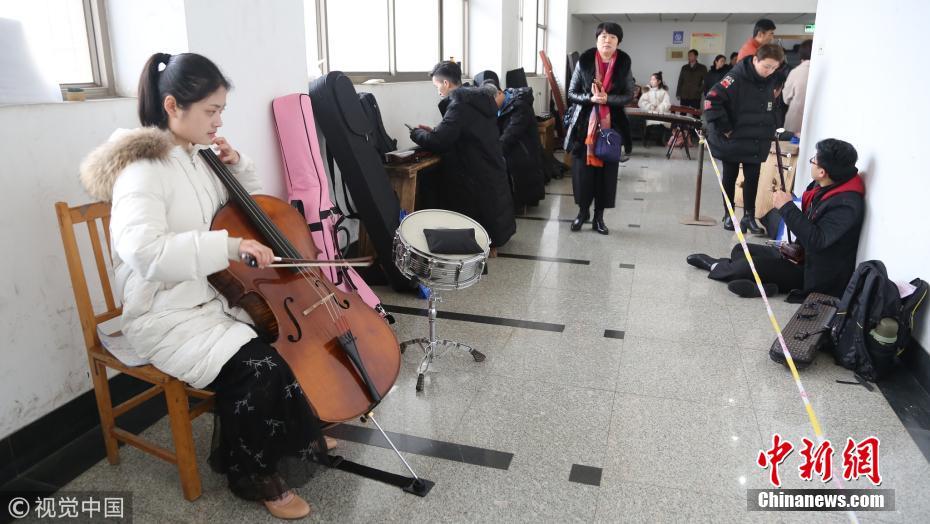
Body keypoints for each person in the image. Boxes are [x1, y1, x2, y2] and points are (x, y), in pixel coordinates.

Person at [78, 53, 336, 519]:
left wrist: (238, 167)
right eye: (211, 111)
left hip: (211, 299)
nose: (219, 122)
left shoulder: (200, 158)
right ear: (173, 106)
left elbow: (248, 209)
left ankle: (294, 433)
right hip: (165, 312)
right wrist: (228, 247)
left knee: (279, 342)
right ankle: (254, 475)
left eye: (221, 111)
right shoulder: (142, 170)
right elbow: (145, 252)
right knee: (257, 367)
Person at [686, 139, 865, 301]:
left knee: (747, 267)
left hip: (812, 273)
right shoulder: (826, 185)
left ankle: (715, 265)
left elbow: (817, 241)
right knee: (740, 249)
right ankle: (768, 286)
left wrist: (786, 207)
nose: (811, 162)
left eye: (814, 160)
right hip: (800, 255)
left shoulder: (846, 205)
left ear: (822, 172)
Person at [411, 61, 516, 252]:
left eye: (437, 86)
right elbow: (463, 131)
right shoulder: (480, 99)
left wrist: (416, 133)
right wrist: (434, 131)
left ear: (446, 83)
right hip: (489, 162)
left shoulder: (459, 105)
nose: (437, 91)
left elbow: (440, 141)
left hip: (473, 169)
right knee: (491, 204)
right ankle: (494, 241)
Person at [704, 43, 785, 234]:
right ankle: (729, 215)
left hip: (756, 138)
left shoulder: (772, 79)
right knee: (730, 176)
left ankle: (749, 216)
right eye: (766, 66)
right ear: (755, 60)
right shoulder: (735, 77)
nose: (769, 71)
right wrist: (725, 128)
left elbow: (773, 106)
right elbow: (711, 100)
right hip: (733, 139)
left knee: (753, 178)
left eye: (774, 68)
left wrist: (773, 126)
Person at [564, 21, 634, 235]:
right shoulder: (584, 61)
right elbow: (571, 93)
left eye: (612, 37)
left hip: (611, 130)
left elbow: (628, 95)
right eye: (603, 36)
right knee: (582, 175)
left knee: (606, 176)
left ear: (618, 42)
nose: (607, 40)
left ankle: (599, 218)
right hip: (583, 129)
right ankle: (582, 213)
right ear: (597, 40)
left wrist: (607, 99)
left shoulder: (623, 63)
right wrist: (591, 98)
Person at [477, 71, 546, 209]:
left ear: (499, 93)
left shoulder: (520, 106)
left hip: (523, 151)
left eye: (491, 103)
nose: (489, 107)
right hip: (509, 147)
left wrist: (493, 151)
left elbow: (511, 134)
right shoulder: (498, 107)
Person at [782, 39, 813, 135]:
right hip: (817, 121)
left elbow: (786, 98)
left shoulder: (796, 72)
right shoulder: (829, 72)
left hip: (795, 122)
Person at [637, 72, 672, 146]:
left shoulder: (663, 92)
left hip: (661, 113)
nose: (651, 81)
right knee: (649, 123)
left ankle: (659, 140)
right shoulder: (647, 91)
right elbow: (641, 102)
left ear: (659, 81)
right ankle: (646, 139)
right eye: (651, 79)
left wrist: (659, 108)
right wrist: (650, 106)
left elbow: (667, 103)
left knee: (662, 123)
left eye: (653, 80)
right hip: (649, 112)